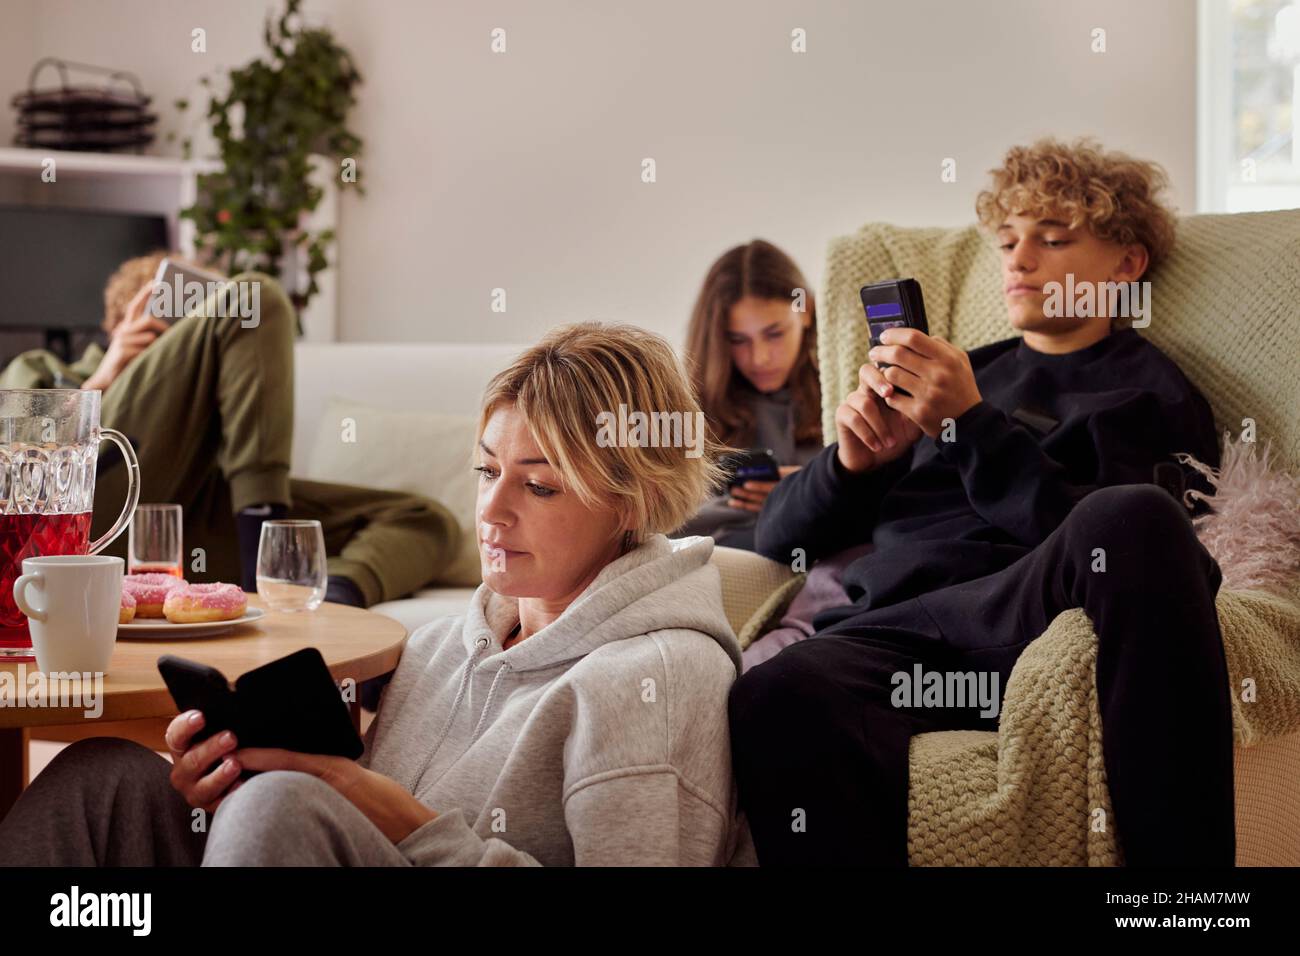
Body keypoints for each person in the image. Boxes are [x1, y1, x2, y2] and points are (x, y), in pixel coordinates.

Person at [0, 321, 754, 867]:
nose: (490, 512)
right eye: (489, 470)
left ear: (629, 501)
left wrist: (371, 805)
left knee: (281, 805)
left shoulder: (651, 678)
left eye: (540, 485)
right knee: (101, 780)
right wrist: (230, 792)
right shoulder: (434, 649)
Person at [728, 137, 1233, 867]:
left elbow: (1131, 558)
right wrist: (852, 463)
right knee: (779, 691)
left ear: (1126, 266)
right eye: (1007, 240)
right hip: (891, 633)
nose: (1020, 259)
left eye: (1053, 238)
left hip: (1019, 617)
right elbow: (776, 537)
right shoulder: (960, 370)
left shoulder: (1148, 392)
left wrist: (970, 425)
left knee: (1134, 515)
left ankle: (1185, 906)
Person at [0, 252, 460, 611]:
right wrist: (104, 376)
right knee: (255, 297)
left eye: (193, 322)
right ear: (117, 321)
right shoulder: (43, 367)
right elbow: (17, 463)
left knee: (426, 518)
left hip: (196, 516)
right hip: (85, 508)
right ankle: (265, 546)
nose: (183, 337)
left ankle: (320, 598)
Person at [674, 240, 823, 551]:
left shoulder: (845, 388)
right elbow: (664, 527)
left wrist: (811, 488)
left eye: (774, 334)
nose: (760, 358)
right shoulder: (686, 412)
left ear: (805, 311)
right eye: (738, 340)